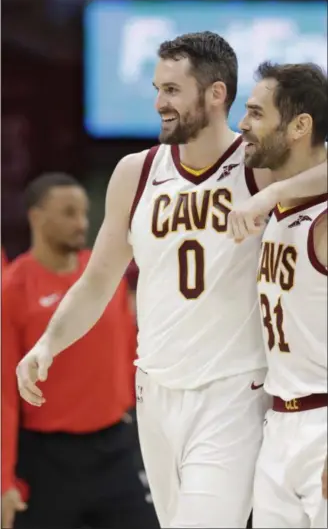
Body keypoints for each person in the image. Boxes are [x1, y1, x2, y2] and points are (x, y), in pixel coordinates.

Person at [16, 33, 327, 529]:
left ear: (215, 94)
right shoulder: (134, 172)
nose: (160, 102)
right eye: (158, 88)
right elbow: (98, 280)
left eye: (173, 90)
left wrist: (274, 196)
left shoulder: (258, 168)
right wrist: (49, 344)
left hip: (233, 392)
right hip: (155, 391)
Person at [2, 173, 158, 529]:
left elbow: (133, 355)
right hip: (47, 461)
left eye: (84, 212)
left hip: (116, 449)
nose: (82, 223)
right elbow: (4, 395)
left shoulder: (103, 275)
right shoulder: (12, 288)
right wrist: (3, 481)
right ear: (36, 217)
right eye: (69, 213)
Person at [238, 62, 327, 528]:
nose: (242, 124)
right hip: (279, 424)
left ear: (299, 125)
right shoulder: (280, 205)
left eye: (255, 112)